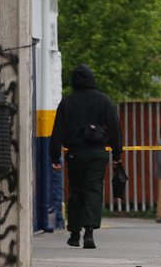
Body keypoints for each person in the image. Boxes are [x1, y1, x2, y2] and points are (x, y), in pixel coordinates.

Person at [50, 64, 123, 250]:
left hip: (75, 153)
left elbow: (57, 131)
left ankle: (74, 234)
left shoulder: (67, 102)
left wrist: (54, 157)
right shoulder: (104, 101)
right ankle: (89, 232)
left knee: (76, 191)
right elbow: (115, 128)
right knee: (94, 190)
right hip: (97, 153)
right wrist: (116, 154)